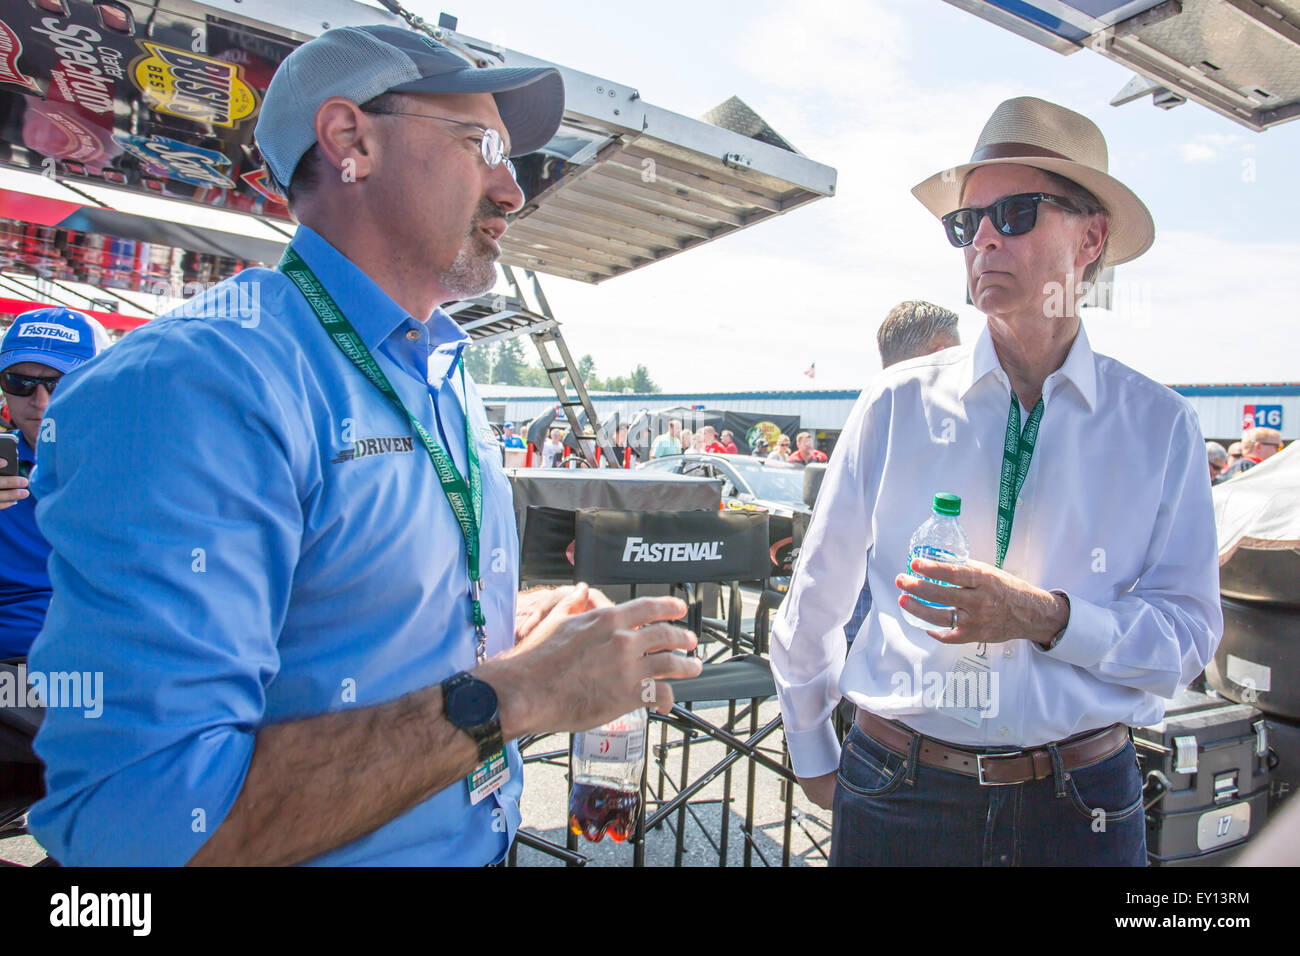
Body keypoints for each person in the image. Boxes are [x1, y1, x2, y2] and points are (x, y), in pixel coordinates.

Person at [24, 24, 700, 867]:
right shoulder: (196, 383)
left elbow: (341, 618)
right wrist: (522, 691)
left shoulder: (443, 370)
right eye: (483, 144)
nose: (512, 191)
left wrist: (492, 627)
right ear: (351, 142)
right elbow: (143, 824)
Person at [773, 97, 1221, 867]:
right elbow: (817, 596)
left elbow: (1185, 639)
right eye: (965, 222)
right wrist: (814, 750)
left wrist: (1046, 616)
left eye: (1014, 213)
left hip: (1081, 805)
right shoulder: (896, 401)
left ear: (1091, 237)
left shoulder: (1160, 425)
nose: (981, 237)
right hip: (898, 789)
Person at [846, 302, 962, 646]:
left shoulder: (867, 424)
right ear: (940, 353)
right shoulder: (949, 436)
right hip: (908, 647)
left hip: (854, 646)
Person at [0, 307, 108, 660]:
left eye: (61, 383)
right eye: (20, 382)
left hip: (103, 670)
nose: (41, 401)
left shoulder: (148, 466)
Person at [1218, 427, 1283, 483]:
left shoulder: (1245, 466)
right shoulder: (1246, 466)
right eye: (1278, 447)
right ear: (1258, 446)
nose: (1280, 451)